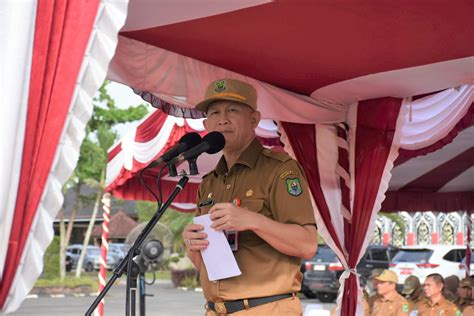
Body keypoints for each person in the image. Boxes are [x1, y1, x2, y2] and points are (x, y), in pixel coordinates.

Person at [182, 78, 318, 315]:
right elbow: (203, 262)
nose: (222, 119)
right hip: (215, 309)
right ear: (206, 124)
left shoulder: (279, 170)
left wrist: (253, 221)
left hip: (266, 308)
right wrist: (192, 244)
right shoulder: (209, 182)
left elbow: (307, 244)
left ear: (254, 119)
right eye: (214, 112)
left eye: (232, 110)